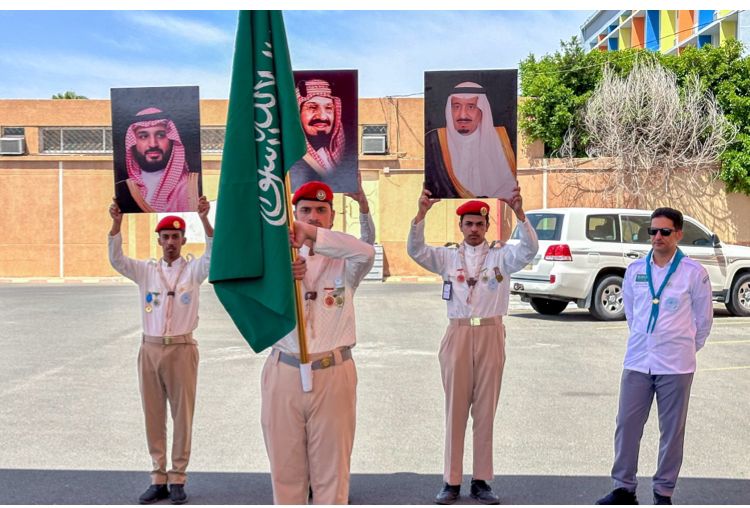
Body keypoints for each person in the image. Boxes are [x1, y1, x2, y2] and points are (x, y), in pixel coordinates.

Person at [407, 188, 538, 505]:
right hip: (459, 333)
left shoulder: (501, 257)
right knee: (455, 409)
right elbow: (415, 250)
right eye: (468, 224)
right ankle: (451, 481)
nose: (474, 229)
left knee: (485, 410)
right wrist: (421, 215)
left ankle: (481, 480)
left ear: (487, 225)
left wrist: (521, 215)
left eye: (479, 223)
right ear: (461, 227)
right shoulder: (448, 257)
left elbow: (530, 249)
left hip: (491, 333)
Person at [260, 181, 375, 504]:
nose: (314, 216)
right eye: (305, 211)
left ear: (333, 217)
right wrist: (281, 274)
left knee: (332, 473)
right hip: (284, 371)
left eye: (321, 211)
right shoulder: (274, 259)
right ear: (293, 215)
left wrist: (310, 236)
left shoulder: (345, 262)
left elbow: (366, 250)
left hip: (332, 371)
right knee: (286, 473)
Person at [595, 207, 713, 506]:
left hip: (676, 364)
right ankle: (624, 488)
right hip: (638, 362)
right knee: (627, 425)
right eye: (653, 231)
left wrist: (684, 346)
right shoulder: (635, 270)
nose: (657, 237)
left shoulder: (694, 273)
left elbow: (703, 321)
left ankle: (663, 492)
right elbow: (633, 314)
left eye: (664, 231)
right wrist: (647, 341)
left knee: (671, 432)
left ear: (678, 234)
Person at [108, 196, 213, 505]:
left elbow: (214, 255)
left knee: (182, 415)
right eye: (165, 237)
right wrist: (117, 224)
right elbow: (117, 260)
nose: (170, 242)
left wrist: (205, 219)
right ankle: (158, 477)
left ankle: (178, 477)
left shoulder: (193, 271)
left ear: (183, 239)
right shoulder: (146, 272)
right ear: (159, 241)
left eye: (175, 237)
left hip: (181, 349)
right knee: (153, 415)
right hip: (150, 349)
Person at [425, 82, 516, 199]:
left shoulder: (503, 139)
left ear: (482, 110)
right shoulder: (433, 142)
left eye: (471, 107)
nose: (463, 115)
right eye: (456, 106)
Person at [115, 107, 200, 213]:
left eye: (160, 135)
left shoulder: (191, 186)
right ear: (133, 142)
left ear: (171, 140)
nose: (153, 144)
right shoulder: (124, 189)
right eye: (143, 136)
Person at [290, 79, 348, 191]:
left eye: (328, 108)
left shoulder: (335, 155)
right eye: (312, 107)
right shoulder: (291, 158)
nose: (323, 116)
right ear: (298, 112)